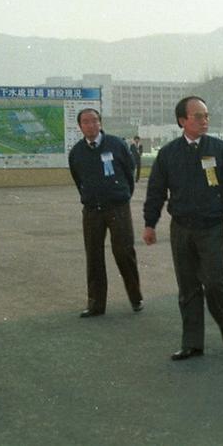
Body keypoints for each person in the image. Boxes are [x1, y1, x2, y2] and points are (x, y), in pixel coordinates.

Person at [142, 96, 223, 360]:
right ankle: (192, 342)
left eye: (206, 115)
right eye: (198, 116)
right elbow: (156, 191)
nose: (204, 121)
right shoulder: (168, 154)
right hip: (181, 228)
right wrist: (149, 223)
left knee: (214, 283)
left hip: (211, 226)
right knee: (187, 287)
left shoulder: (220, 150)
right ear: (182, 121)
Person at [68, 108, 143, 318]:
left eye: (94, 121)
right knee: (93, 256)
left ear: (100, 123)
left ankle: (136, 297)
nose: (90, 125)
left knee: (124, 253)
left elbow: (129, 171)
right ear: (80, 126)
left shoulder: (116, 144)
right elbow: (78, 180)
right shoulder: (76, 152)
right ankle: (96, 304)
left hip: (117, 208)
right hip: (92, 211)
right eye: (86, 122)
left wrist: (122, 194)